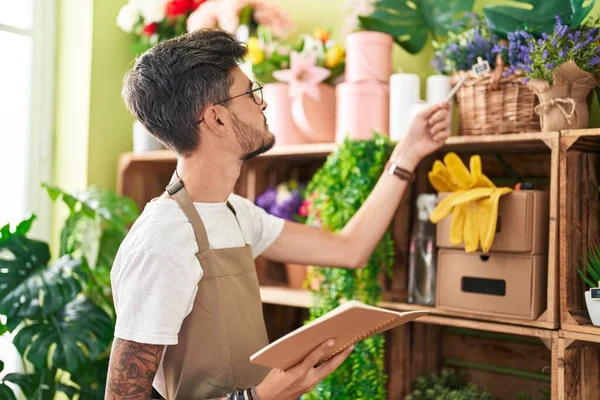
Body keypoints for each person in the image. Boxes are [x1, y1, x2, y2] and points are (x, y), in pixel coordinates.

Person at [106, 28, 451, 400]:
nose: (263, 104)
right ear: (216, 119)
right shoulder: (162, 241)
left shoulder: (236, 214)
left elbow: (349, 249)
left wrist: (407, 154)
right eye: (251, 93)